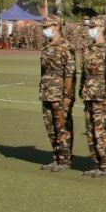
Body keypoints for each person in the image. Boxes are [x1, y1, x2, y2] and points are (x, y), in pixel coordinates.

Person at [79, 17, 106, 177]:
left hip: (102, 96)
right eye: (90, 27)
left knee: (102, 131)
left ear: (102, 28)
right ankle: (96, 163)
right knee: (90, 131)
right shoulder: (88, 48)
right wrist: (81, 90)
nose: (91, 30)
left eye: (93, 27)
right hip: (89, 94)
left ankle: (105, 165)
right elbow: (84, 73)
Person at [38, 16, 76, 172]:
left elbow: (70, 73)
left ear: (57, 26)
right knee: (50, 127)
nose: (45, 29)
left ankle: (64, 159)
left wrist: (67, 95)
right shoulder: (47, 47)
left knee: (62, 127)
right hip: (47, 91)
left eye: (47, 26)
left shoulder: (65, 46)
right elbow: (43, 70)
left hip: (60, 93)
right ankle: (56, 157)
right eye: (44, 27)